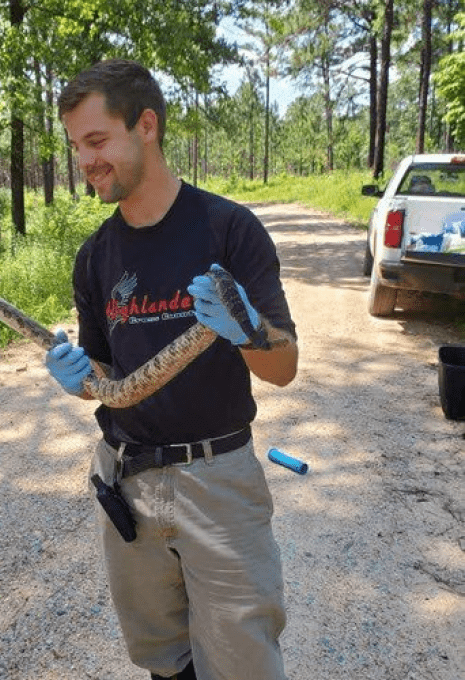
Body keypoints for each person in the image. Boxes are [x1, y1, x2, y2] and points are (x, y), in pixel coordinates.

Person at [46, 59, 298, 680]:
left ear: (147, 126)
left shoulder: (227, 229)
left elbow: (284, 367)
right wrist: (83, 376)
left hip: (218, 480)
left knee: (243, 663)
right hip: (126, 479)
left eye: (97, 140)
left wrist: (246, 330)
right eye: (77, 146)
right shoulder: (95, 257)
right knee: (162, 656)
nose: (86, 161)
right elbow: (107, 367)